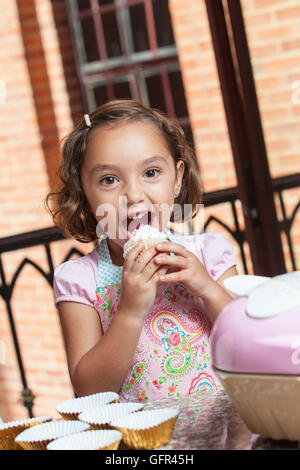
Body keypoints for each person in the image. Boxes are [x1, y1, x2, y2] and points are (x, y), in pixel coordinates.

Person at [45, 99, 238, 403]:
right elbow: (89, 389)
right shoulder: (80, 280)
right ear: (84, 193)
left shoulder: (209, 255)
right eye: (109, 180)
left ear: (176, 179)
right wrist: (130, 312)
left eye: (150, 172)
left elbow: (247, 343)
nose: (133, 196)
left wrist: (208, 289)